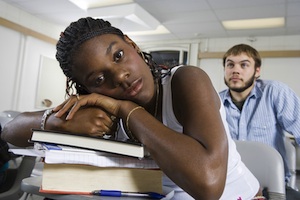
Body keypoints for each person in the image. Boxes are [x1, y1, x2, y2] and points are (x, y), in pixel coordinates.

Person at [2, 17, 263, 200]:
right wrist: (59, 123)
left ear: (132, 45)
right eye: (99, 80)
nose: (121, 76)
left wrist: (128, 111)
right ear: (88, 90)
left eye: (118, 56)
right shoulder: (100, 108)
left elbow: (209, 187)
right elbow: (10, 130)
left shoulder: (186, 81)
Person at [219, 43, 300, 199]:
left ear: (257, 71)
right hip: (231, 187)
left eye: (244, 65)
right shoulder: (215, 102)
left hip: (273, 188)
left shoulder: (275, 92)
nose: (235, 70)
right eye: (230, 64)